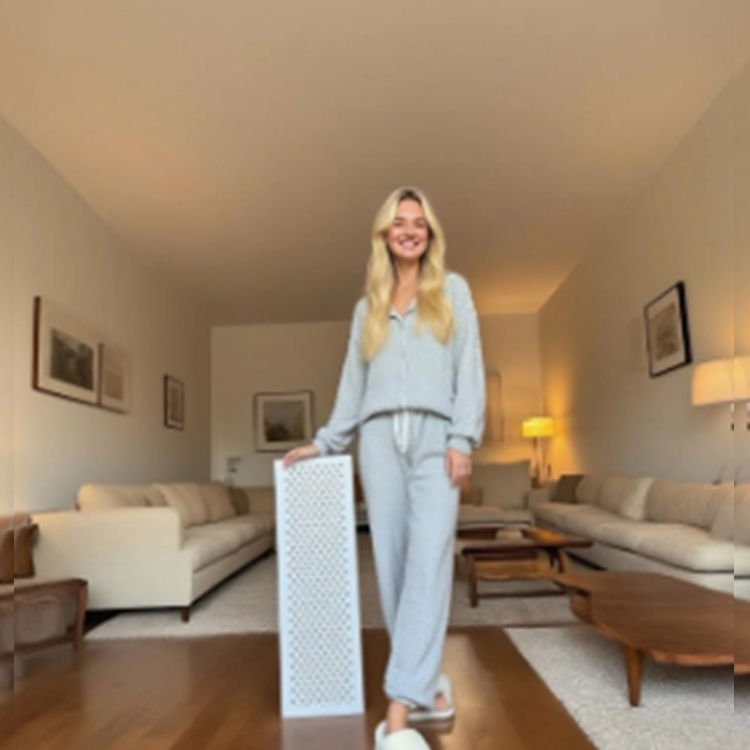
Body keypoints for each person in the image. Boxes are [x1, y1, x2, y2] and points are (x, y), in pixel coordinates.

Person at [283, 186, 485, 750]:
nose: (409, 230)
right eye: (399, 222)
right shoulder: (366, 307)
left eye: (418, 222)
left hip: (435, 438)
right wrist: (326, 443)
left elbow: (469, 365)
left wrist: (462, 437)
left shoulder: (452, 290)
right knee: (392, 566)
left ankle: (397, 713)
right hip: (376, 442)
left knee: (429, 561)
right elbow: (353, 384)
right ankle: (431, 690)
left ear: (430, 232)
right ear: (384, 234)